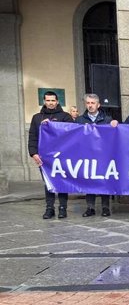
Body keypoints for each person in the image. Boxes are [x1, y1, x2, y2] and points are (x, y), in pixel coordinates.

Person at [28, 91, 74, 219]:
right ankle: (49, 208)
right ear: (44, 101)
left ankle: (63, 208)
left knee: (61, 182)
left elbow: (71, 134)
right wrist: (33, 153)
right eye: (48, 100)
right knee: (48, 183)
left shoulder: (66, 116)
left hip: (62, 156)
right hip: (44, 158)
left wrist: (53, 125)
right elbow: (33, 136)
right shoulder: (37, 117)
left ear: (57, 102)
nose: (50, 103)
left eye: (53, 100)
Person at [75, 94, 118, 217]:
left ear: (98, 105)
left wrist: (115, 124)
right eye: (88, 103)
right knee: (89, 180)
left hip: (103, 155)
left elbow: (115, 136)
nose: (90, 105)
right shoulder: (79, 120)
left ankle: (105, 207)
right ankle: (90, 208)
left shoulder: (107, 119)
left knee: (104, 180)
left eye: (93, 103)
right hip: (87, 155)